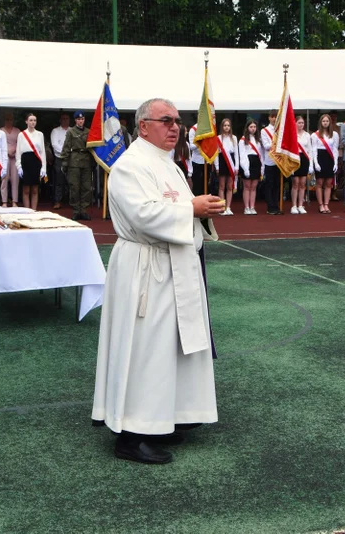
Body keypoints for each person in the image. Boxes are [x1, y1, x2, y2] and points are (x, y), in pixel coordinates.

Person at [91, 97, 223, 464]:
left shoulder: (169, 164)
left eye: (177, 121)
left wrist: (202, 210)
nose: (175, 127)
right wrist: (191, 209)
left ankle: (164, 419)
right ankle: (132, 435)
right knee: (145, 349)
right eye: (166, 120)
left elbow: (177, 209)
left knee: (172, 348)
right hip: (146, 268)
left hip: (176, 263)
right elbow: (144, 214)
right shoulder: (129, 165)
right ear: (143, 125)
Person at [60, 110, 94, 220]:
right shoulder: (71, 132)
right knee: (74, 187)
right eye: (78, 119)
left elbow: (93, 148)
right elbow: (66, 147)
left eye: (82, 119)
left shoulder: (89, 132)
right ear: (75, 120)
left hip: (86, 160)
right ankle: (76, 210)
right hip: (74, 161)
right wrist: (65, 162)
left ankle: (83, 210)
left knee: (86, 187)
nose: (80, 121)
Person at [16, 113, 47, 210]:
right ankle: (27, 211)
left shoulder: (40, 134)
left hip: (36, 161)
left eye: (34, 120)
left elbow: (42, 152)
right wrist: (19, 166)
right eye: (31, 120)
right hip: (25, 161)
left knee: (35, 189)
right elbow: (18, 152)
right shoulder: (21, 134)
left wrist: (43, 167)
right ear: (26, 121)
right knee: (26, 189)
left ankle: (33, 211)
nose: (33, 122)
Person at [311, 114, 338, 214]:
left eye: (327, 121)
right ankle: (320, 204)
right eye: (323, 121)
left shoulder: (334, 134)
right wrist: (316, 163)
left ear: (330, 122)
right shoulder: (315, 135)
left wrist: (335, 163)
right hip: (320, 158)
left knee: (328, 183)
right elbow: (313, 150)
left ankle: (326, 204)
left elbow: (335, 149)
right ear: (320, 123)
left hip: (329, 158)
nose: (325, 123)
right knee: (319, 183)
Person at [238, 118, 263, 215]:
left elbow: (261, 154)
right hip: (248, 163)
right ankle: (246, 207)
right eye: (251, 127)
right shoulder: (243, 140)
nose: (253, 129)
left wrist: (262, 167)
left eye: (254, 127)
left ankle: (252, 206)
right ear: (247, 128)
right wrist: (245, 168)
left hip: (256, 162)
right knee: (247, 186)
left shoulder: (258, 140)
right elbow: (242, 155)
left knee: (253, 187)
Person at [215, 118, 239, 216]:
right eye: (225, 125)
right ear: (222, 126)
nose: (227, 127)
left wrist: (236, 166)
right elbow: (216, 153)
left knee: (229, 186)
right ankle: (222, 207)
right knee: (221, 186)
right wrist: (217, 166)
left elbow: (237, 153)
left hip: (231, 161)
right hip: (222, 160)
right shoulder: (218, 138)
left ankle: (228, 207)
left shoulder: (234, 138)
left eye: (228, 125)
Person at [291, 115, 313, 214]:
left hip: (304, 159)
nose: (301, 124)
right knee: (295, 183)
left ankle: (300, 205)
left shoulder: (307, 135)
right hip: (295, 159)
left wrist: (311, 165)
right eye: (299, 122)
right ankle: (294, 205)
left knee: (303, 183)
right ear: (295, 123)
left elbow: (310, 150)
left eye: (302, 123)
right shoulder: (291, 134)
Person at [261, 109, 280, 215]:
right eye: (272, 117)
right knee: (270, 184)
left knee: (277, 184)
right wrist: (276, 141)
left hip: (279, 161)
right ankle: (270, 207)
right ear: (269, 118)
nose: (274, 119)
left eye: (276, 117)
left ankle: (276, 205)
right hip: (269, 161)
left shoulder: (280, 130)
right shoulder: (264, 131)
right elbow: (266, 146)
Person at [0, 112, 20, 207]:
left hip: (15, 157)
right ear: (4, 120)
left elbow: (20, 143)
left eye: (10, 120)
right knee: (4, 178)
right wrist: (6, 152)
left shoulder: (17, 131)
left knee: (15, 179)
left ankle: (14, 201)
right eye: (7, 120)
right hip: (4, 157)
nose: (9, 121)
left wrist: (14, 151)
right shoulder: (0, 131)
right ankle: (4, 201)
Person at [50, 112, 70, 209]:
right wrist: (65, 152)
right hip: (60, 158)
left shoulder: (72, 130)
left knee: (72, 181)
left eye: (67, 118)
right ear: (60, 120)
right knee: (59, 180)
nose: (65, 120)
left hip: (71, 158)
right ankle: (57, 201)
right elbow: (54, 145)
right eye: (63, 118)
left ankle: (72, 201)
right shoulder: (55, 131)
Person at [188, 122, 206, 195]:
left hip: (206, 159)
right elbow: (191, 147)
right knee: (196, 183)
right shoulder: (193, 129)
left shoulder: (208, 128)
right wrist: (199, 141)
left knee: (205, 183)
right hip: (196, 160)